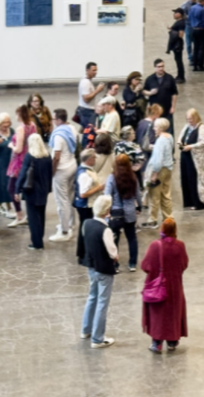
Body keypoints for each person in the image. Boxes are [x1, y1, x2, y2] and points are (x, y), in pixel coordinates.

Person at [141, 217, 190, 353]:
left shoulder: (155, 246)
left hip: (157, 287)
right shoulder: (180, 245)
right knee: (173, 313)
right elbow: (184, 264)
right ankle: (172, 342)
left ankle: (157, 343)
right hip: (175, 287)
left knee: (158, 315)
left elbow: (145, 266)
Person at [81, 194, 118, 349]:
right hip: (104, 269)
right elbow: (113, 253)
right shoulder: (106, 230)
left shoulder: (86, 223)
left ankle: (86, 330)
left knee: (92, 297)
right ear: (107, 211)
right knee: (102, 302)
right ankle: (97, 338)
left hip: (91, 266)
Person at [15, 133, 53, 251]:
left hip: (32, 191)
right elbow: (50, 174)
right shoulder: (47, 157)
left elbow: (22, 174)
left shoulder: (30, 157)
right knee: (41, 216)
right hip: (43, 190)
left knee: (33, 218)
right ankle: (39, 238)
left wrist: (17, 190)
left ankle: (37, 243)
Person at [105, 153, 141, 272]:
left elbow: (107, 195)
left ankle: (115, 265)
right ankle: (132, 264)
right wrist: (139, 207)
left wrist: (107, 210)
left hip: (116, 212)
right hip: (130, 212)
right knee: (131, 238)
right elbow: (138, 194)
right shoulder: (133, 177)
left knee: (115, 238)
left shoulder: (112, 177)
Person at [50, 109, 78, 242]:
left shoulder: (58, 136)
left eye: (54, 119)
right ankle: (71, 223)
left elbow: (56, 157)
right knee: (70, 197)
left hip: (61, 170)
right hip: (72, 166)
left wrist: (52, 172)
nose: (53, 121)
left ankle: (64, 230)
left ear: (59, 120)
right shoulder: (72, 128)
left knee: (62, 201)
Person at [6, 104, 37, 228]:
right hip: (30, 158)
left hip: (19, 162)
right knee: (28, 187)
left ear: (18, 114)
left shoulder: (21, 129)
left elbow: (18, 149)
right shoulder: (33, 125)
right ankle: (30, 215)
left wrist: (10, 146)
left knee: (12, 188)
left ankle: (19, 215)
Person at [143, 118, 175, 229]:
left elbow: (158, 160)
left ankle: (153, 219)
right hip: (168, 169)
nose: (153, 128)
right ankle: (168, 218)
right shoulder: (169, 137)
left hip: (160, 171)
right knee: (166, 195)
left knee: (154, 195)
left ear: (160, 128)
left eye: (155, 127)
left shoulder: (160, 140)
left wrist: (155, 174)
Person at [75, 148, 105, 263]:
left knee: (85, 229)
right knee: (85, 230)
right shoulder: (85, 174)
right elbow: (83, 194)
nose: (95, 159)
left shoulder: (86, 170)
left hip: (87, 205)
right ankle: (83, 254)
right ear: (88, 159)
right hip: (86, 206)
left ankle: (84, 253)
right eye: (93, 157)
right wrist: (98, 188)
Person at [179, 109, 204, 210]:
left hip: (195, 158)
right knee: (186, 178)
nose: (189, 121)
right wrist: (180, 143)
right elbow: (181, 137)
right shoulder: (187, 126)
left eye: (191, 119)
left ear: (196, 117)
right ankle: (189, 201)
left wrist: (191, 146)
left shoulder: (201, 128)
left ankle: (198, 202)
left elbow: (203, 142)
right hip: (186, 156)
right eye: (188, 119)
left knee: (194, 179)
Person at [143, 58, 179, 134]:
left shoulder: (169, 78)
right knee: (155, 130)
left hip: (167, 110)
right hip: (155, 112)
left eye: (162, 66)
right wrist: (150, 93)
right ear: (155, 67)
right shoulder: (150, 79)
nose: (161, 68)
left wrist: (173, 107)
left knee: (169, 130)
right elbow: (144, 91)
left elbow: (174, 93)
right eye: (159, 67)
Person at [77, 61, 106, 131]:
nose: (95, 72)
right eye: (93, 70)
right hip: (87, 111)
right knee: (89, 132)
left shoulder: (87, 81)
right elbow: (86, 99)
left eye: (96, 70)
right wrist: (97, 90)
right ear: (87, 70)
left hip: (87, 110)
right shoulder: (85, 83)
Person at [188, 0, 204, 72]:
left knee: (195, 48)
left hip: (194, 30)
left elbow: (189, 18)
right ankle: (201, 65)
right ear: (202, 1)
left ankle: (194, 65)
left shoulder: (192, 8)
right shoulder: (202, 10)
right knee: (202, 48)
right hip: (201, 30)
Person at [167, 9, 187, 83]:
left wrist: (173, 32)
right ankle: (179, 75)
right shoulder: (178, 22)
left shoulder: (181, 23)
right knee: (177, 60)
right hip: (176, 43)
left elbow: (181, 35)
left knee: (179, 61)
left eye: (176, 13)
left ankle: (181, 77)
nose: (174, 14)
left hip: (177, 44)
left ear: (180, 14)